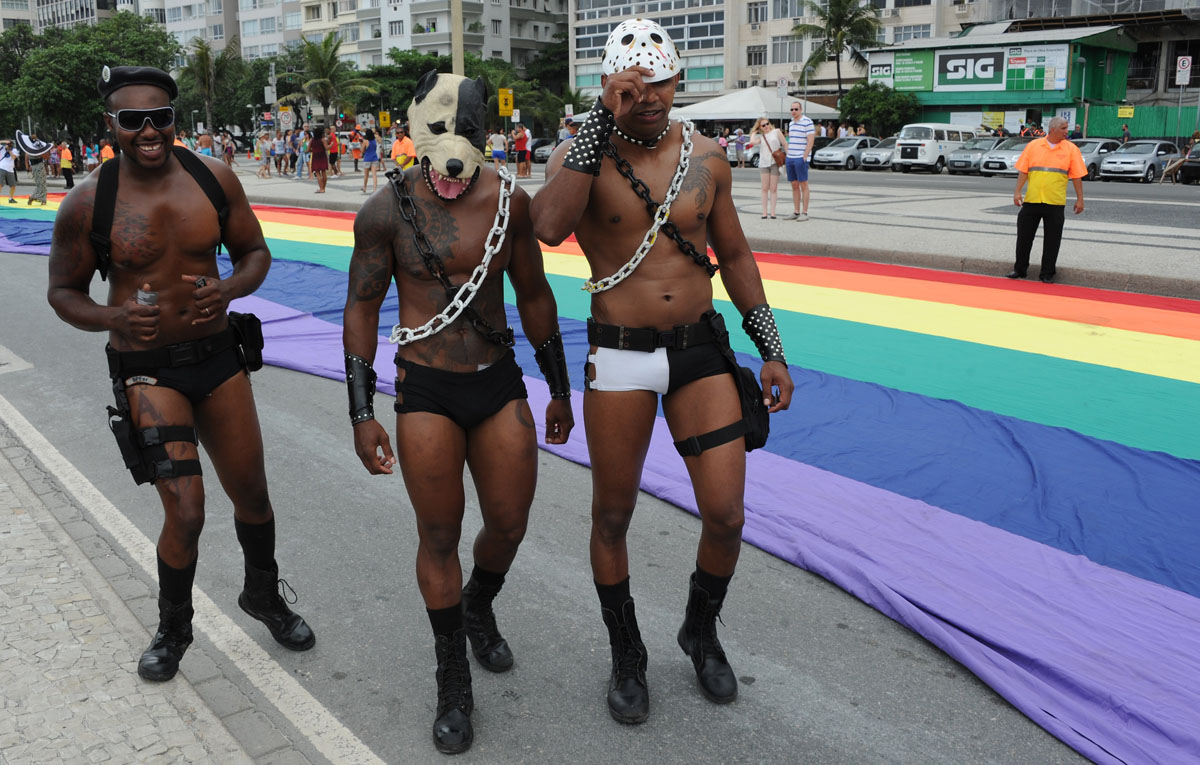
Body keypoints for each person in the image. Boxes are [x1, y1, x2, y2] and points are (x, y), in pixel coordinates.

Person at [531, 18, 793, 726]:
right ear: (611, 87)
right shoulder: (578, 155)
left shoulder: (708, 157)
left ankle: (700, 630)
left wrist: (770, 345)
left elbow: (735, 255)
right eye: (631, 86)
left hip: (700, 351)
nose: (648, 97)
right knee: (612, 514)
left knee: (727, 513)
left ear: (680, 83)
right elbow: (548, 226)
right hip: (618, 350)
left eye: (659, 84)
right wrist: (597, 120)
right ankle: (627, 654)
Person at [46, 65, 315, 683]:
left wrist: (228, 290)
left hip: (220, 363)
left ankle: (263, 596)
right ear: (110, 126)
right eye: (132, 120)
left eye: (159, 117)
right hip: (148, 373)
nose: (148, 130)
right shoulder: (89, 200)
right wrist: (112, 315)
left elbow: (255, 253)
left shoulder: (212, 177)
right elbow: (63, 292)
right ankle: (174, 627)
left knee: (253, 497)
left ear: (174, 118)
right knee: (187, 511)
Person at [342, 70, 573, 754]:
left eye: (467, 132)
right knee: (439, 533)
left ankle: (478, 603)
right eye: (438, 131)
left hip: (497, 381)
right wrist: (361, 410)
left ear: (487, 134)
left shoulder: (511, 202)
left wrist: (558, 386)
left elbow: (533, 294)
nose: (452, 147)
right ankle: (452, 679)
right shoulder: (385, 211)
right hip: (426, 389)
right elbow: (360, 305)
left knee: (508, 522)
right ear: (414, 128)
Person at [1005, 117, 1085, 284]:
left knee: (1052, 241)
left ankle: (1047, 273)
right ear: (1053, 129)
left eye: (1067, 128)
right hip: (1032, 200)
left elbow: (1077, 176)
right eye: (1063, 128)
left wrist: (1080, 199)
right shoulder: (1034, 146)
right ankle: (1019, 269)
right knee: (1024, 238)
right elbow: (1024, 171)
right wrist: (1017, 192)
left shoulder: (1071, 149)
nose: (1066, 131)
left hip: (1055, 202)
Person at [785, 101, 815, 221]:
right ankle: (796, 211)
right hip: (791, 156)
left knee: (804, 184)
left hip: (800, 157)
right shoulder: (791, 123)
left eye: (796, 109)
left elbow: (811, 141)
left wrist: (805, 156)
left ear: (801, 110)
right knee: (794, 184)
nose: (793, 111)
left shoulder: (807, 122)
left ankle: (805, 212)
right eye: (792, 109)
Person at [749, 117, 784, 219]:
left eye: (767, 124)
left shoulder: (776, 132)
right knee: (764, 188)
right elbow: (752, 142)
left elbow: (785, 144)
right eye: (763, 125)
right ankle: (764, 213)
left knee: (773, 188)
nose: (766, 126)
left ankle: (773, 212)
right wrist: (754, 132)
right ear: (760, 127)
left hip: (775, 163)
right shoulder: (762, 137)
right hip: (764, 163)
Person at [359, 128, 379, 194]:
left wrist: (361, 144)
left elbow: (362, 151)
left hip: (367, 158)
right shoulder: (374, 140)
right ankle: (375, 188)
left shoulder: (365, 141)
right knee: (374, 174)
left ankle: (364, 188)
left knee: (366, 175)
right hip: (374, 158)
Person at [310, 126, 329, 192]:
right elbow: (326, 148)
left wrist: (312, 150)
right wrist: (331, 145)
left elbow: (308, 149)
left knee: (317, 173)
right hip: (322, 156)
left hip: (315, 157)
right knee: (324, 172)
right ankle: (323, 188)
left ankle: (321, 189)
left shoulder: (312, 140)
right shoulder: (323, 139)